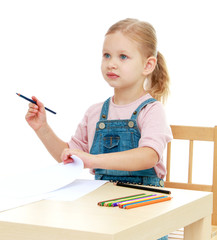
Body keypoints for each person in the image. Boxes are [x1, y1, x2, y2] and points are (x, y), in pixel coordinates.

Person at [26, 18, 172, 240]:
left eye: (123, 56)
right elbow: (68, 156)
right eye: (107, 55)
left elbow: (148, 156)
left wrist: (92, 160)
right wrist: (42, 128)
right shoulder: (95, 112)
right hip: (103, 205)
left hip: (145, 205)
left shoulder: (152, 110)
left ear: (148, 65)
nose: (111, 63)